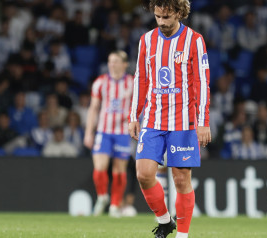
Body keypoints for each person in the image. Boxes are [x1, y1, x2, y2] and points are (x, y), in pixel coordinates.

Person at [129, 1, 211, 237]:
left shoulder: (194, 40)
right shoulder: (146, 40)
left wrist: (203, 120)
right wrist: (134, 115)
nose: (161, 22)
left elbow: (202, 82)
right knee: (143, 174)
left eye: (166, 17)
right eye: (157, 17)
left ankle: (183, 236)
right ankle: (165, 221)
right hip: (153, 120)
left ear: (178, 13)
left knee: (181, 178)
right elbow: (140, 78)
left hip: (183, 122)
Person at [83, 50, 134, 217]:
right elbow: (93, 108)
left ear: (125, 64)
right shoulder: (100, 82)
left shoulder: (132, 83)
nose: (112, 64)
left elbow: (139, 107)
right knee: (99, 167)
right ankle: (103, 196)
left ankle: (114, 205)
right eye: (110, 61)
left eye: (116, 61)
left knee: (119, 170)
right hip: (103, 131)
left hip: (122, 133)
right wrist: (88, 132)